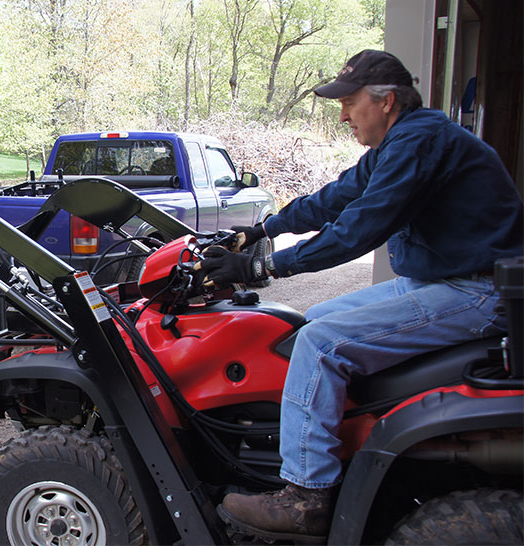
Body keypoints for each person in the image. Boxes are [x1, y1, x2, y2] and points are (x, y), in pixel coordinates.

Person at [195, 49, 524, 541]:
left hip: (476, 291)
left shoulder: (419, 143)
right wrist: (261, 230)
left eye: (350, 103)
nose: (344, 116)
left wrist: (261, 267)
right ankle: (337, 443)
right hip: (443, 279)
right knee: (311, 320)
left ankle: (306, 497)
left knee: (319, 344)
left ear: (386, 102)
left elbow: (358, 229)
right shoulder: (403, 141)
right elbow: (335, 197)